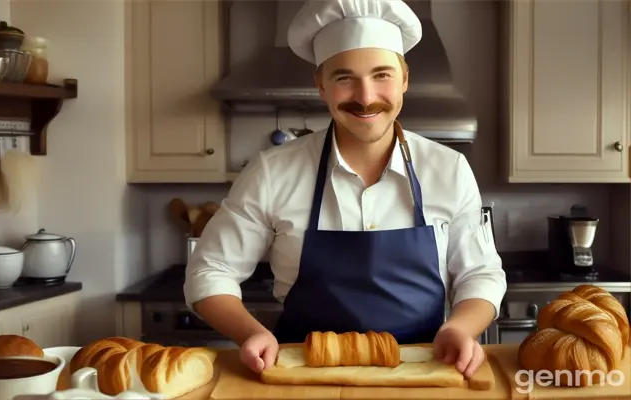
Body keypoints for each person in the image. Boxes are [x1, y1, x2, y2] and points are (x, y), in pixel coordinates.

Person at [184, 0, 507, 379]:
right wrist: (251, 332)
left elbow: (481, 273)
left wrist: (459, 328)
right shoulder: (272, 171)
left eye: (382, 75)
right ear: (320, 85)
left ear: (405, 79)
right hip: (302, 376)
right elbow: (211, 270)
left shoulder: (448, 169)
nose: (366, 96)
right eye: (344, 78)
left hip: (423, 371)